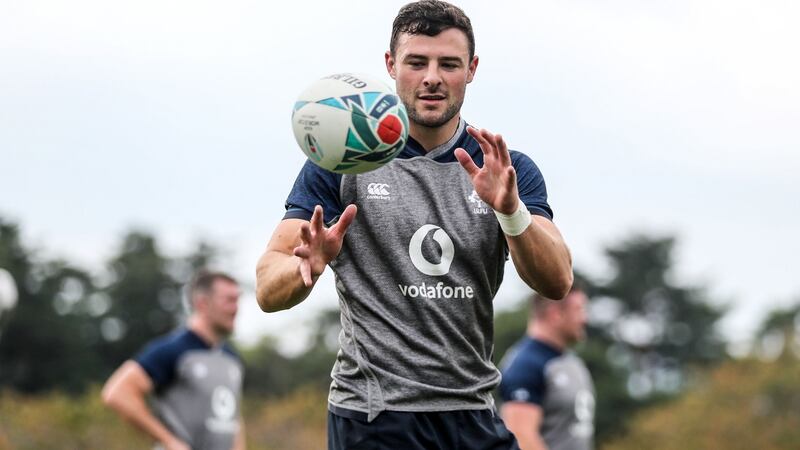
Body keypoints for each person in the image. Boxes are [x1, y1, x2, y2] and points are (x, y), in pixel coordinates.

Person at [256, 0, 573, 448]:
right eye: (416, 62)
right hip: (374, 416)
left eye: (449, 64)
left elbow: (558, 280)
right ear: (390, 65)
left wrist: (511, 211)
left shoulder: (506, 168)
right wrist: (305, 267)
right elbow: (268, 288)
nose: (432, 78)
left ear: (472, 69)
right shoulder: (339, 162)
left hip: (473, 411)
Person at [102, 271, 245, 450]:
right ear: (203, 304)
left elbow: (233, 418)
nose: (236, 308)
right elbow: (117, 393)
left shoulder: (231, 358)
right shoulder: (173, 350)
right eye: (229, 300)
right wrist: (169, 441)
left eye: (237, 300)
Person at [498, 287, 594, 450]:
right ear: (555, 314)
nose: (585, 319)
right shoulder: (526, 364)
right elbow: (521, 436)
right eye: (578, 310)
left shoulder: (569, 361)